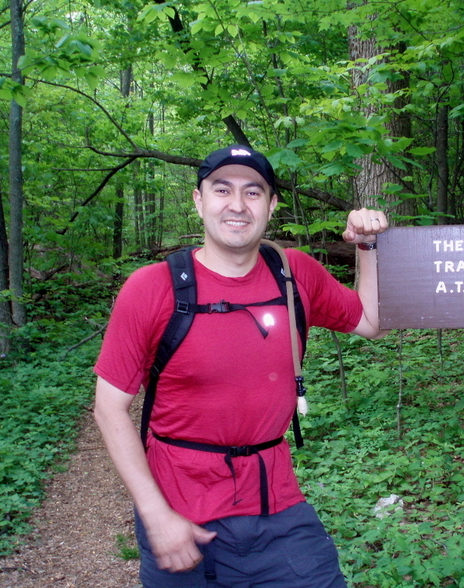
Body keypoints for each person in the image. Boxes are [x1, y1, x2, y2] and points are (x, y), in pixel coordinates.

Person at [93, 144, 389, 587]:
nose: (237, 205)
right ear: (198, 200)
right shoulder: (152, 288)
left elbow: (369, 321)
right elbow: (109, 408)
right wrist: (156, 517)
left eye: (253, 193)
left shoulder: (294, 274)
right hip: (182, 514)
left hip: (278, 508)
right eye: (222, 189)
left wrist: (367, 245)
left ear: (271, 205)